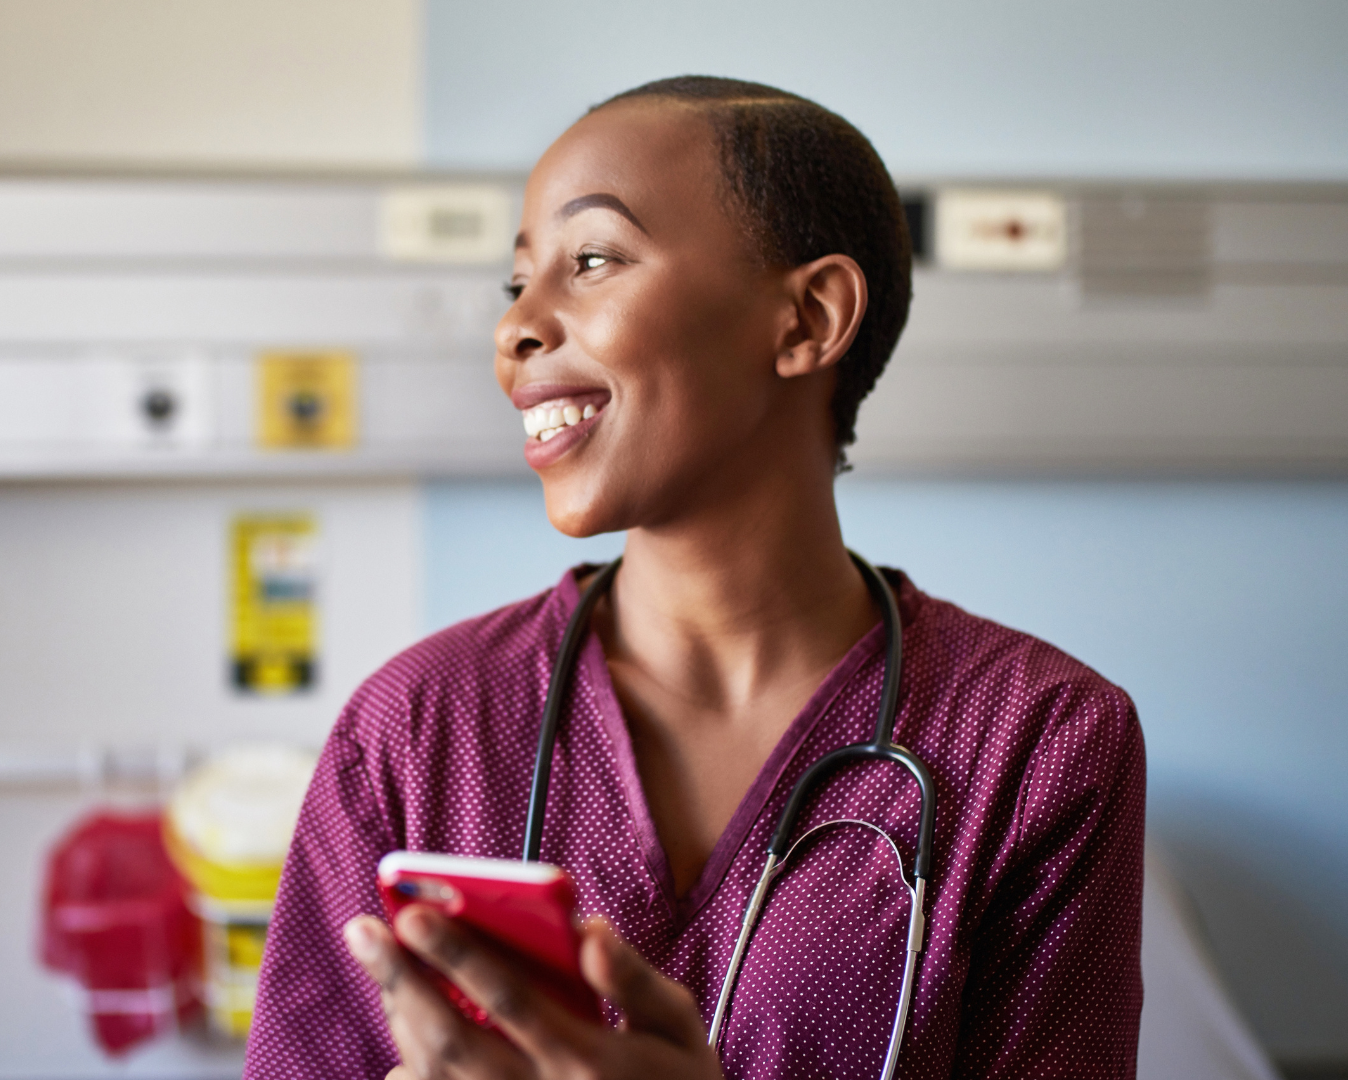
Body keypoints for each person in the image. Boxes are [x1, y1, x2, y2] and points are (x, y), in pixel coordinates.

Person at [243, 76, 1145, 1080]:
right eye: (516, 284)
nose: (516, 328)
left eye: (592, 260)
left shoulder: (1040, 742)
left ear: (806, 319)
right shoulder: (418, 729)